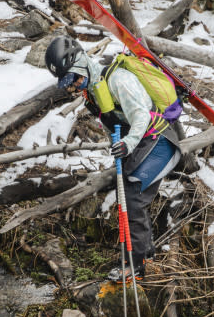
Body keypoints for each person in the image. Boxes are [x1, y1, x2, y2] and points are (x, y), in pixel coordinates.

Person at [45, 35, 181, 280]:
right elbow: (112, 123)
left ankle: (136, 265)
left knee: (132, 197)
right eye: (67, 83)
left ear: (81, 65)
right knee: (127, 194)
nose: (72, 86)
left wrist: (127, 144)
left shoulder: (119, 80)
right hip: (141, 142)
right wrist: (116, 144)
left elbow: (141, 117)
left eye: (73, 79)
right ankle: (146, 255)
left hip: (159, 139)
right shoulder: (93, 92)